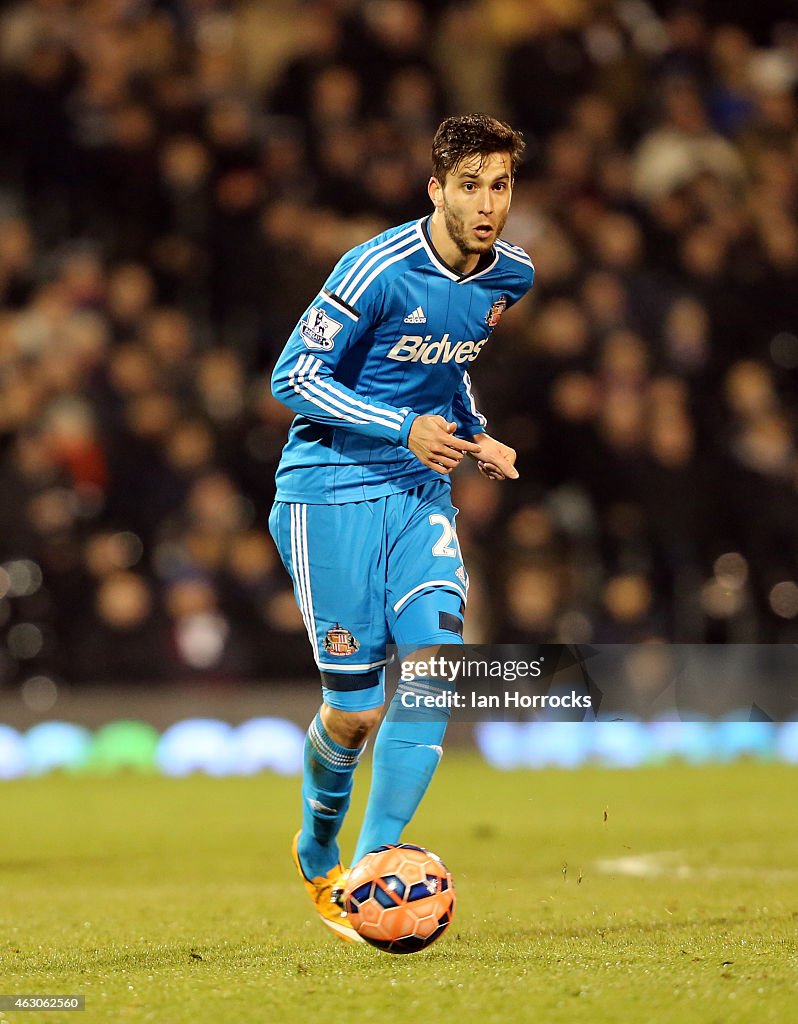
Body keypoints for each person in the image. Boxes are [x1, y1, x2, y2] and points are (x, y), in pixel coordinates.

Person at [269, 113, 534, 942]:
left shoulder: (512, 277)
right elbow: (292, 376)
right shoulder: (375, 266)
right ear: (436, 190)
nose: (486, 204)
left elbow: (445, 369)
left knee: (435, 672)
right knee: (353, 713)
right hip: (328, 493)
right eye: (469, 186)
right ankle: (318, 842)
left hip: (419, 494)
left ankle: (373, 872)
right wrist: (400, 428)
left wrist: (474, 431)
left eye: (499, 186)